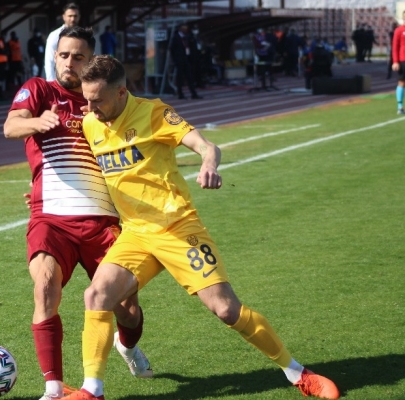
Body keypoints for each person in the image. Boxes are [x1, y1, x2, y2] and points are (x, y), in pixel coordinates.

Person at [62, 54, 341, 400]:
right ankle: (92, 391)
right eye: (86, 99)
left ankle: (298, 373)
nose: (90, 108)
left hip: (177, 227)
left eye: (97, 100)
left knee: (226, 310)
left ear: (121, 92)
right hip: (136, 233)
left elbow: (206, 145)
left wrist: (209, 164)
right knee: (96, 296)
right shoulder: (91, 123)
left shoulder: (154, 113)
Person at [3, 27, 152, 400]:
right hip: (51, 220)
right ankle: (53, 388)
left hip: (102, 221)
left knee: (127, 308)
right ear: (55, 56)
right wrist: (37, 123)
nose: (70, 62)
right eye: (64, 55)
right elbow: (11, 126)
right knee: (45, 287)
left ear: (91, 61)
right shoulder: (40, 90)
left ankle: (128, 346)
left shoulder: (104, 101)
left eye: (78, 56)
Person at [44, 2, 81, 81]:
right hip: (61, 80)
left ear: (79, 17)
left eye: (75, 16)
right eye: (70, 16)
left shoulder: (84, 36)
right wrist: (51, 83)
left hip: (79, 80)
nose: (73, 19)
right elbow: (49, 61)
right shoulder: (55, 36)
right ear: (64, 17)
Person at [169, 23, 202, 99]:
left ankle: (193, 93)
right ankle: (180, 94)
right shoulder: (176, 37)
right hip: (179, 60)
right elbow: (172, 49)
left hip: (187, 59)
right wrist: (175, 59)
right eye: (184, 28)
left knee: (190, 77)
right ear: (180, 29)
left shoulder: (188, 37)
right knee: (180, 77)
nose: (185, 30)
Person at [391, 10, 405, 114]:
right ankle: (400, 106)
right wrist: (395, 61)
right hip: (403, 60)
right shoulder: (399, 30)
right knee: (401, 82)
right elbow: (395, 47)